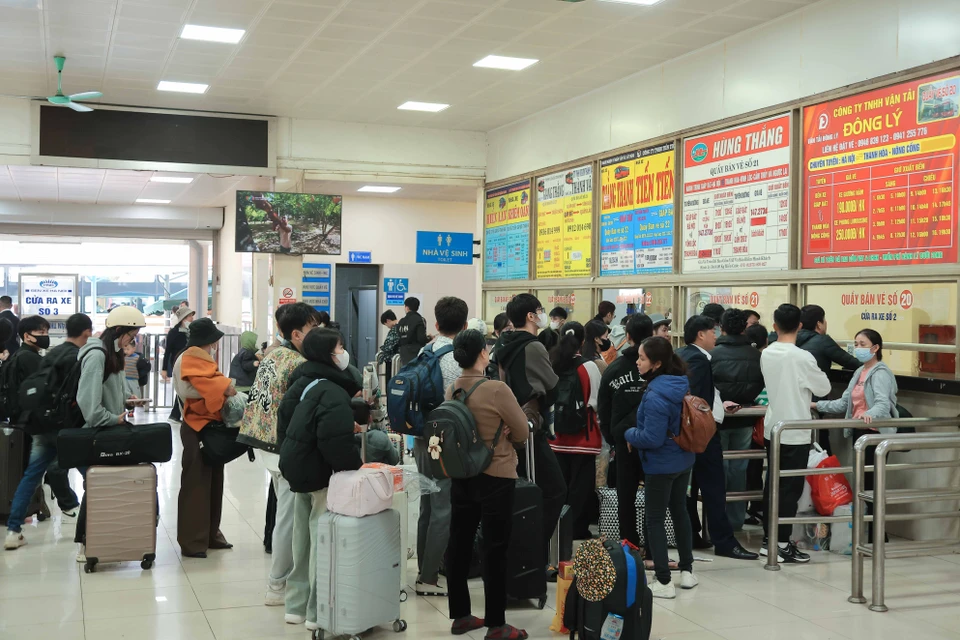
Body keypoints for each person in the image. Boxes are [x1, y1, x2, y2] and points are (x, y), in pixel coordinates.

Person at [444, 329, 531, 640]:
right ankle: (497, 624)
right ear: (483, 353)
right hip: (496, 475)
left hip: (463, 475)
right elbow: (522, 432)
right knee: (495, 549)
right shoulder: (496, 389)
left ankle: (461, 615)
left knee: (460, 543)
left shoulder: (453, 388)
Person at [278, 328, 363, 631]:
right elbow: (334, 441)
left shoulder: (300, 382)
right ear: (329, 354)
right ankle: (316, 612)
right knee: (320, 540)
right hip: (320, 473)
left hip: (296, 466)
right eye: (340, 347)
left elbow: (285, 423)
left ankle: (295, 606)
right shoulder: (332, 390)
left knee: (301, 538)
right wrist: (355, 467)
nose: (344, 353)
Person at [237, 302, 317, 608]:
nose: (317, 333)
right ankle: (277, 584)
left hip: (263, 442)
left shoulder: (274, 355)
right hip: (279, 446)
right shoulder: (296, 363)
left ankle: (282, 580)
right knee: (288, 517)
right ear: (296, 334)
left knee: (286, 513)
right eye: (312, 327)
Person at [3, 313, 91, 551]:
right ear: (87, 333)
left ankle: (13, 531)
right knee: (92, 474)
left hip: (42, 426)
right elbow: (80, 396)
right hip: (65, 428)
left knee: (31, 476)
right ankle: (95, 526)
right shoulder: (77, 356)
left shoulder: (53, 353)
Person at [676, 315, 758, 560]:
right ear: (701, 334)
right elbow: (697, 401)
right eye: (713, 332)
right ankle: (724, 541)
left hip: (686, 434)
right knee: (714, 486)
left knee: (689, 488)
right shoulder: (699, 360)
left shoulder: (683, 353)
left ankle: (692, 534)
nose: (716, 335)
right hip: (702, 434)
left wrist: (720, 401)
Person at [496, 294, 564, 575]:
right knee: (555, 490)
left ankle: (519, 557)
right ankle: (533, 555)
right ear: (530, 317)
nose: (542, 314)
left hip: (510, 425)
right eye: (539, 311)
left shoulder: (502, 345)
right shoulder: (533, 346)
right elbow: (552, 386)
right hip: (531, 427)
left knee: (519, 493)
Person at [623, 337, 697, 599]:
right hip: (683, 459)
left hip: (660, 464)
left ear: (656, 364)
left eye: (642, 358)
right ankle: (687, 571)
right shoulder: (680, 384)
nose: (637, 362)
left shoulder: (655, 395)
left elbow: (651, 438)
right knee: (680, 512)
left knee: (654, 519)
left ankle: (664, 581)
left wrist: (629, 434)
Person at [73, 306, 148, 562]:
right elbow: (89, 406)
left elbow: (115, 390)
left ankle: (99, 540)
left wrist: (129, 401)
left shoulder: (112, 355)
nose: (132, 341)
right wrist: (112, 418)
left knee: (102, 487)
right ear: (118, 331)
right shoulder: (96, 356)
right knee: (96, 488)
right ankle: (85, 543)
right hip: (95, 433)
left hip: (109, 432)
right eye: (131, 335)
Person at [760, 304, 831, 563]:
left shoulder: (767, 353)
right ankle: (780, 544)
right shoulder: (801, 357)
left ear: (774, 325)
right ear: (800, 326)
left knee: (772, 487)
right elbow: (823, 387)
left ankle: (768, 541)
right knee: (790, 490)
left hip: (773, 427)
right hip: (796, 429)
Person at [814, 329, 896, 542]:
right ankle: (869, 534)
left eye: (862, 344)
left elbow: (882, 403)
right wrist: (816, 404)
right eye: (856, 344)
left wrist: (869, 414)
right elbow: (844, 403)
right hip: (859, 433)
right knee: (862, 485)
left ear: (875, 348)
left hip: (875, 435)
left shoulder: (880, 373)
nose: (857, 348)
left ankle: (877, 536)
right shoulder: (859, 372)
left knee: (871, 485)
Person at [414, 296, 467, 596]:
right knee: (443, 508)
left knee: (427, 504)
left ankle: (424, 567)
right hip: (444, 439)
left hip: (422, 435)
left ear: (435, 324)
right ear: (463, 326)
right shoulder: (458, 358)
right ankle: (429, 577)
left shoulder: (426, 351)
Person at [172, 318, 236, 558]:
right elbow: (190, 389)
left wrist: (221, 386)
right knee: (196, 484)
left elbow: (209, 383)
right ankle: (193, 541)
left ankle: (210, 534)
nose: (216, 345)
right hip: (194, 426)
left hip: (208, 425)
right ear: (209, 341)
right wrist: (223, 387)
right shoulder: (189, 358)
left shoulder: (199, 357)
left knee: (213, 481)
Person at [598, 314, 653, 548]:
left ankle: (630, 544)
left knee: (626, 496)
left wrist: (615, 439)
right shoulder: (658, 369)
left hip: (623, 442)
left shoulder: (614, 369)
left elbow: (604, 407)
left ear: (627, 336)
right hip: (654, 441)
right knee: (655, 497)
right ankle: (653, 548)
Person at [710, 309, 765, 531]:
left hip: (719, 419)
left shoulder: (713, 354)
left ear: (721, 327)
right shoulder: (756, 356)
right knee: (739, 469)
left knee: (719, 468)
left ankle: (717, 519)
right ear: (744, 328)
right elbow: (759, 383)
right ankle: (735, 520)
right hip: (745, 418)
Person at [548, 322, 603, 540]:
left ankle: (558, 528)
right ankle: (577, 529)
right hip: (584, 438)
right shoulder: (588, 366)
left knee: (560, 486)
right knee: (581, 488)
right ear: (583, 341)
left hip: (556, 436)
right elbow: (596, 402)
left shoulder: (552, 363)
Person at [161, 305, 195, 421]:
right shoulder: (174, 332)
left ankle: (177, 414)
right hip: (178, 363)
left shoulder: (192, 332)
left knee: (185, 389)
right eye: (190, 316)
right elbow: (168, 351)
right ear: (184, 318)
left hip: (190, 363)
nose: (192, 318)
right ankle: (176, 414)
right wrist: (164, 368)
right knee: (183, 388)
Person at [396, 297, 428, 366]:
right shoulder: (420, 320)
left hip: (403, 354)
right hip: (416, 354)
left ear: (407, 307)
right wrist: (429, 338)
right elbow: (421, 339)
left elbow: (398, 338)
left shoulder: (401, 321)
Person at [377, 310, 401, 377]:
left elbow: (388, 346)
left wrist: (382, 349)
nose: (387, 326)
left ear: (388, 321)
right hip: (400, 360)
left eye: (386, 324)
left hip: (392, 361)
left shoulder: (393, 330)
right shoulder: (401, 327)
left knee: (390, 382)